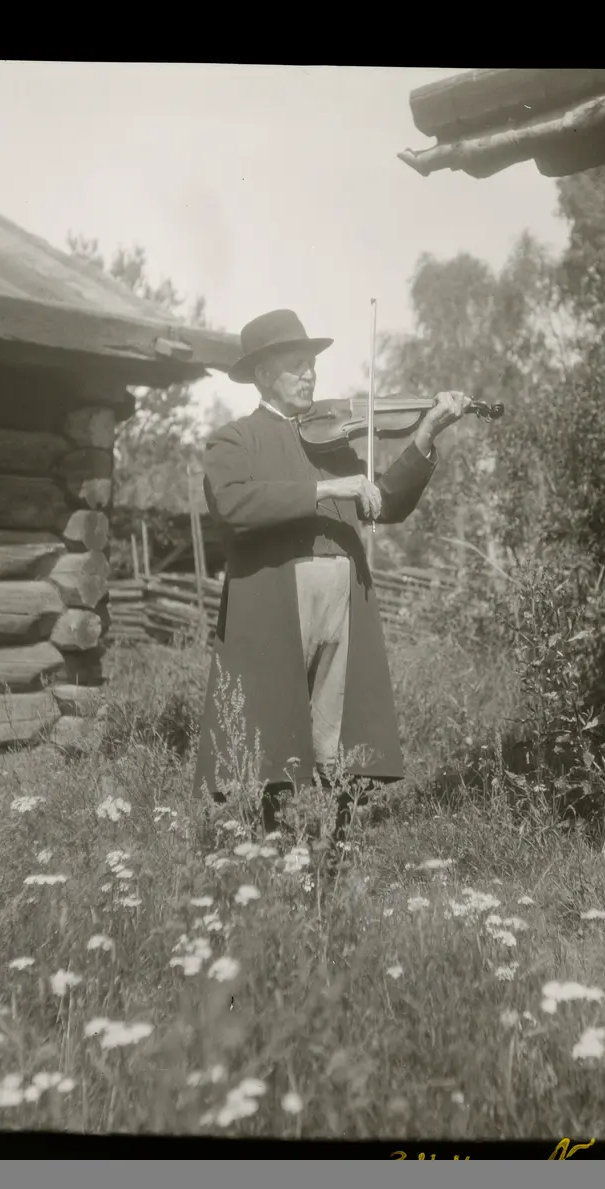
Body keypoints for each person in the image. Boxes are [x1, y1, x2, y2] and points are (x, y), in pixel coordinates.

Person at [192, 309, 467, 845]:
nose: (310, 375)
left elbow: (383, 503)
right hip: (278, 601)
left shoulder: (331, 442)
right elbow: (232, 503)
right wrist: (325, 489)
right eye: (296, 365)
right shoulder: (234, 439)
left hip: (341, 599)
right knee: (272, 729)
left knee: (338, 733)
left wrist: (426, 433)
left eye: (312, 364)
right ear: (263, 374)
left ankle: (335, 849)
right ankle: (269, 848)